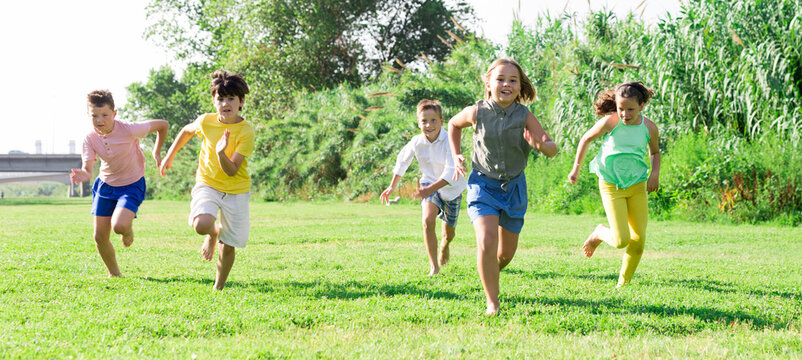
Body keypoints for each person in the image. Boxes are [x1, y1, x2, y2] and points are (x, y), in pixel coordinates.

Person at [449, 59, 558, 315]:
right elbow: (453, 124)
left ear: (520, 87)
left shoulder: (525, 115)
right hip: (482, 185)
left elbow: (551, 148)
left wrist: (540, 145)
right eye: (500, 79)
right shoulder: (476, 112)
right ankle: (493, 303)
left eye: (512, 80)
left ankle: (489, 271)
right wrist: (456, 155)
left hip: (514, 188)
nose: (506, 84)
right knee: (487, 241)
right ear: (488, 83)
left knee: (505, 254)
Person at [160, 70, 254, 290]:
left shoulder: (246, 131)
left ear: (241, 102)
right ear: (214, 101)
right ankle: (212, 233)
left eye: (231, 98)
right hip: (208, 183)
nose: (225, 104)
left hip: (236, 189)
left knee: (229, 244)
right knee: (201, 225)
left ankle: (218, 287)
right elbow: (186, 131)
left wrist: (221, 152)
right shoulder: (206, 121)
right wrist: (169, 156)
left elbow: (232, 170)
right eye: (220, 99)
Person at [567, 81, 661, 288]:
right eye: (621, 109)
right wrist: (576, 168)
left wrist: (654, 174)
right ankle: (600, 232)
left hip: (637, 185)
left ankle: (623, 284)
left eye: (631, 109)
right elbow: (586, 139)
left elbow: (655, 152)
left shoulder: (649, 127)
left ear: (642, 106)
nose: (625, 114)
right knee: (620, 240)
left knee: (639, 240)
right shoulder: (611, 122)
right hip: (611, 185)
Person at [70, 90, 168, 277]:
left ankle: (127, 230)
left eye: (105, 115)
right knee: (99, 237)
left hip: (131, 184)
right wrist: (85, 174)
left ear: (114, 113)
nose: (100, 120)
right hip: (105, 186)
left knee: (119, 226)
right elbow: (88, 169)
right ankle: (115, 274)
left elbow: (163, 125)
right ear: (88, 115)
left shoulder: (129, 129)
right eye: (95, 116)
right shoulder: (90, 138)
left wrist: (156, 151)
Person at [380, 99, 468, 276]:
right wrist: (391, 186)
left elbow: (450, 171)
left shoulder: (449, 140)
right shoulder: (416, 141)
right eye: (424, 121)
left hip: (452, 188)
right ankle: (434, 267)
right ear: (418, 123)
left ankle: (445, 244)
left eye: (433, 120)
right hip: (429, 183)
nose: (429, 125)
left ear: (441, 121)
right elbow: (402, 161)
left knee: (449, 233)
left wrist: (429, 190)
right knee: (427, 220)